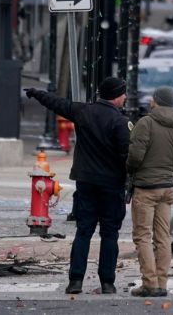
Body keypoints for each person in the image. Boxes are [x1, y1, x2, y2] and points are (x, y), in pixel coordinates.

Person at [25, 76, 131, 294]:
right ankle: (107, 282)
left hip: (86, 183)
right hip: (111, 185)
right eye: (123, 93)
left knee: (84, 231)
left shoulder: (84, 112)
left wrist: (37, 93)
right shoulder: (120, 122)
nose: (126, 97)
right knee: (110, 234)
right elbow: (127, 155)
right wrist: (130, 180)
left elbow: (57, 103)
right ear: (115, 96)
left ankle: (76, 280)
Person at [127, 86, 173, 297]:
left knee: (142, 236)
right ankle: (162, 283)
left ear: (156, 101)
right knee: (163, 237)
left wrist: (133, 170)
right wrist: (163, 169)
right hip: (167, 188)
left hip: (146, 188)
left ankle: (149, 283)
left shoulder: (145, 123)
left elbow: (135, 156)